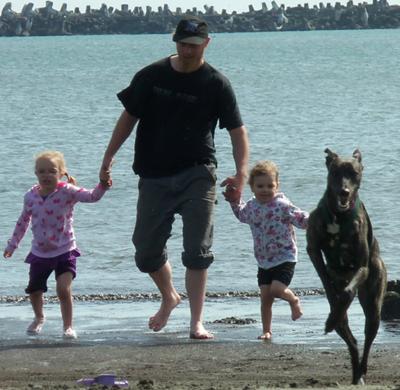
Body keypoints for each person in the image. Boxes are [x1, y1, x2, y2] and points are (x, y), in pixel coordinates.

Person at [99, 16, 249, 339]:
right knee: (145, 251)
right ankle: (169, 295)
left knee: (197, 249)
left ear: (206, 44)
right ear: (175, 41)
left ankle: (197, 321)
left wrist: (241, 174)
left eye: (193, 45)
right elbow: (128, 118)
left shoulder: (217, 84)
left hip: (199, 172)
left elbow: (237, 132)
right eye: (182, 44)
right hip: (153, 175)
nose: (187, 50)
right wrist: (108, 157)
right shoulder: (151, 76)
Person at [3, 150, 110, 339]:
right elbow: (22, 222)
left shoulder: (67, 191)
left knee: (63, 289)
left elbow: (93, 196)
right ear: (36, 174)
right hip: (40, 253)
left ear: (61, 173)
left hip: (65, 250)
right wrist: (12, 245)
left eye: (51, 171)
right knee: (35, 290)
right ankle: (39, 317)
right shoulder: (30, 196)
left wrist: (102, 185)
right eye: (41, 171)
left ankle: (68, 326)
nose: (46, 175)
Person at [223, 160, 308, 340]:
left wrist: (317, 221)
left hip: (285, 256)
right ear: (252, 187)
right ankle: (267, 330)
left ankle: (294, 301)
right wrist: (234, 199)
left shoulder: (282, 205)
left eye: (270, 185)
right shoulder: (252, 207)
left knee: (277, 289)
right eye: (260, 186)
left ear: (277, 186)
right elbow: (241, 214)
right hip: (263, 260)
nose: (265, 190)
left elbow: (300, 218)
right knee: (265, 299)